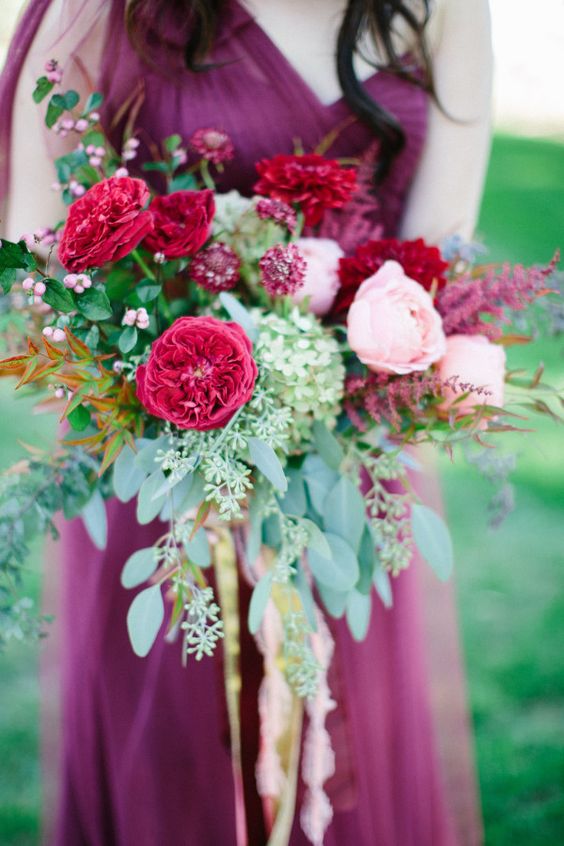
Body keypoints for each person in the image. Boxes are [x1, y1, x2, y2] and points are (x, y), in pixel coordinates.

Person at [0, 0, 492, 843]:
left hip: (344, 472)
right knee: (172, 763)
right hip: (162, 475)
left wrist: (323, 393)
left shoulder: (445, 9)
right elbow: (33, 258)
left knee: (344, 766)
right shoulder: (96, 14)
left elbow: (439, 251)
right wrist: (182, 380)